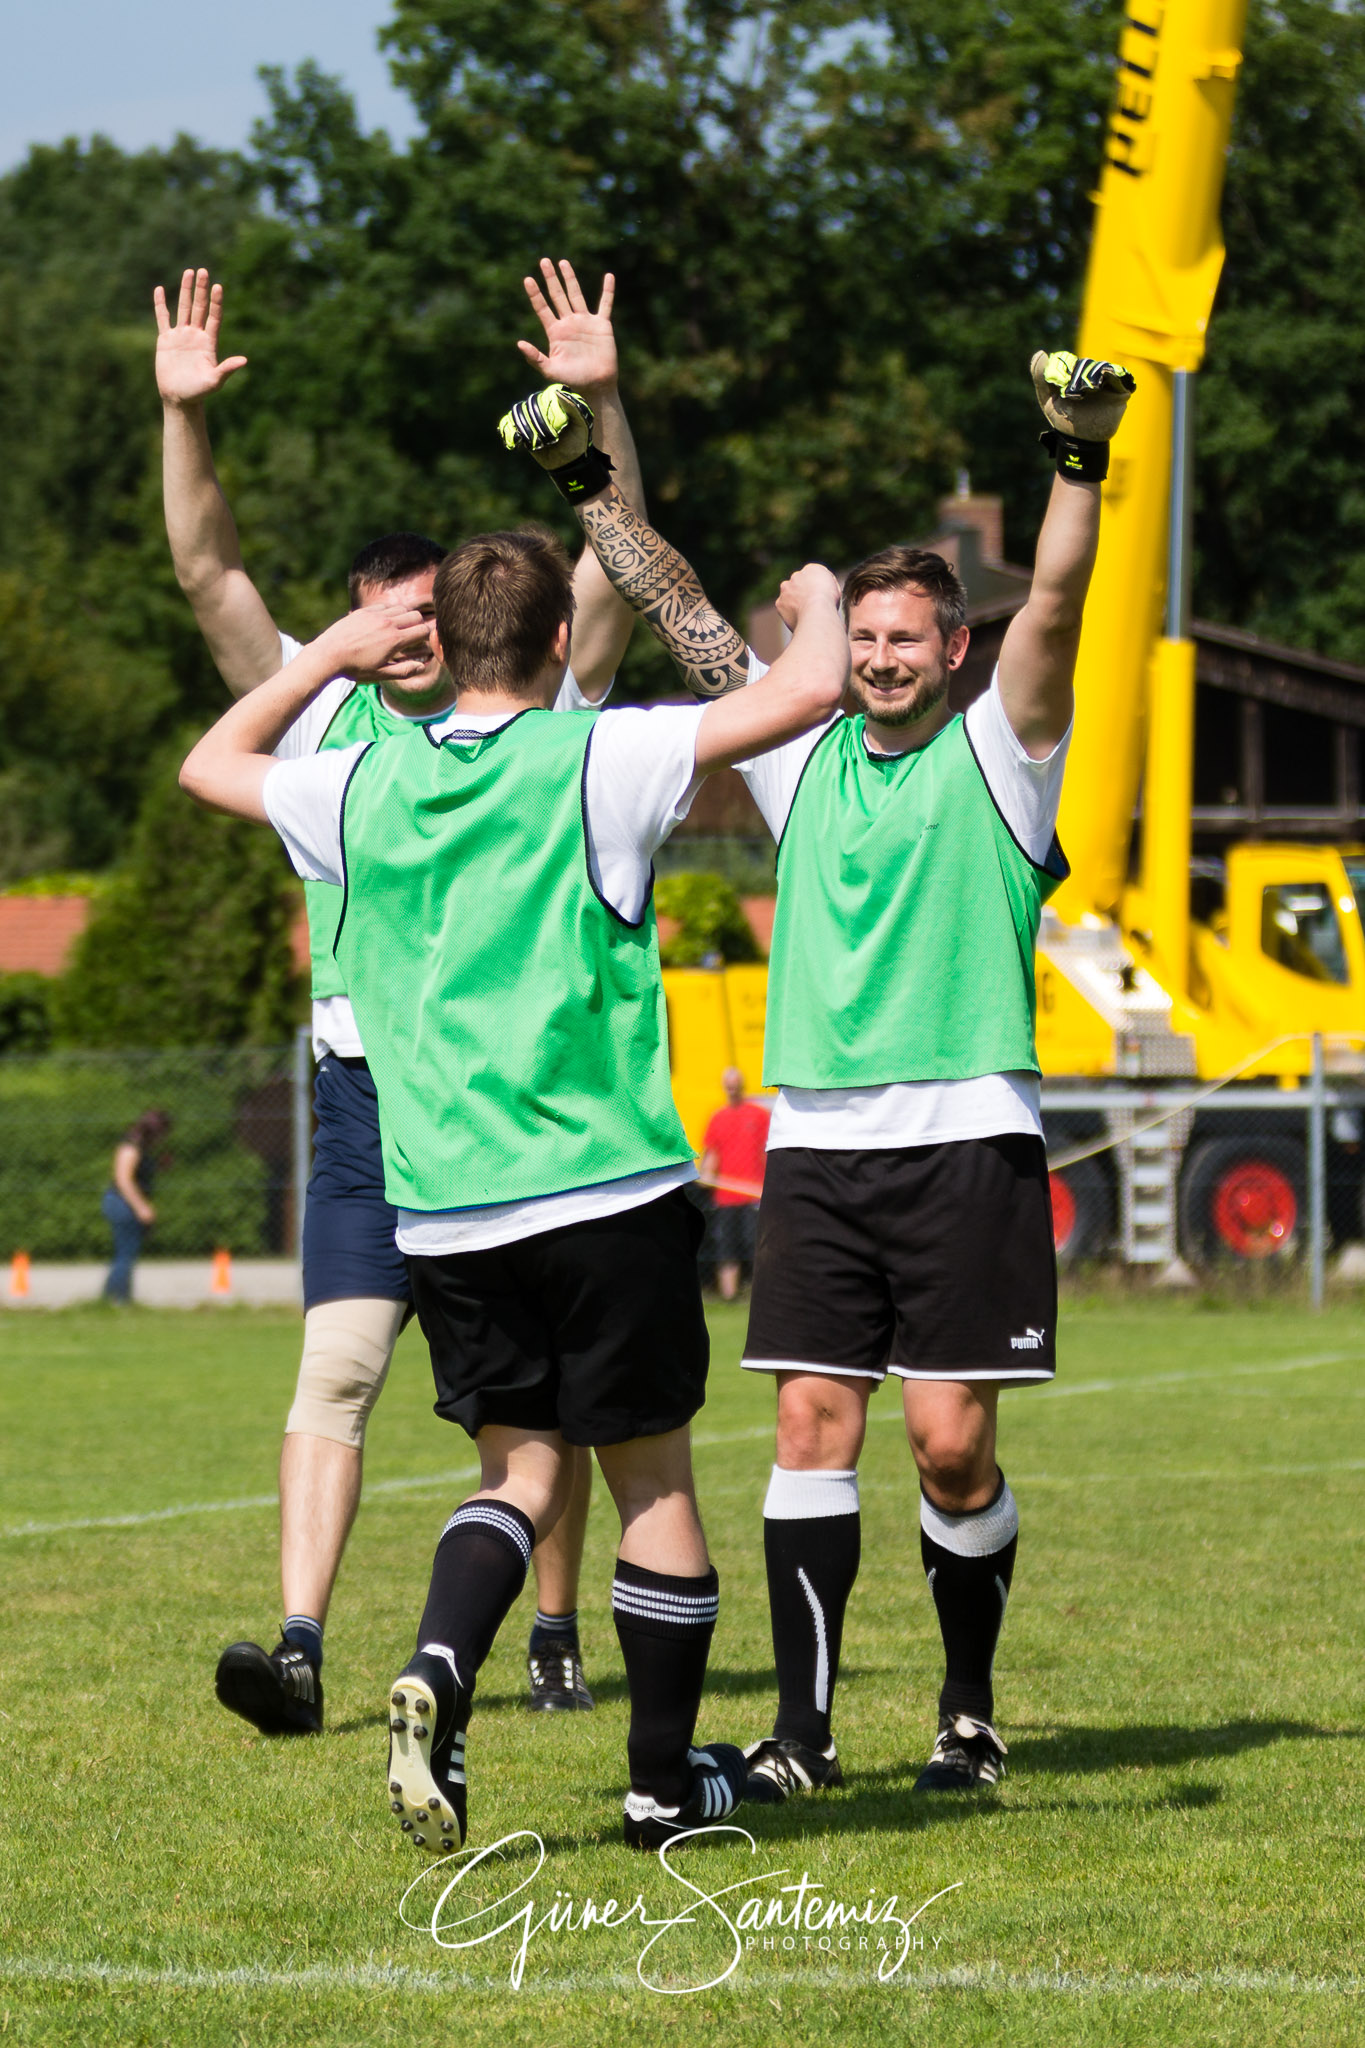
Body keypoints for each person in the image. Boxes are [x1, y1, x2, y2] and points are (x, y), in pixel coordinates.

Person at [178, 467, 850, 1848]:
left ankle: (436, 1665)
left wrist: (342, 656)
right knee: (650, 1479)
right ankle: (664, 1784)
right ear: (556, 647)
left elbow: (206, 766)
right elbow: (806, 695)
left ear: (442, 645)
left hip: (446, 1207)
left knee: (516, 1475)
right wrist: (822, 604)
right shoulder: (598, 752)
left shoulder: (356, 780)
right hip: (606, 1188)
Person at [533, 350, 1134, 1797]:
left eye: (906, 641)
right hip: (815, 1145)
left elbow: (1054, 602)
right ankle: (802, 1737)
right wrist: (583, 484)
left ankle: (967, 1711)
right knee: (809, 1426)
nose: (878, 660)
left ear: (952, 652)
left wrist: (1074, 453)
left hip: (963, 1138)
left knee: (944, 1450)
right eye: (861, 638)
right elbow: (676, 604)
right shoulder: (800, 755)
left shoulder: (1003, 752)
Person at [155, 262, 643, 1726]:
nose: (403, 637)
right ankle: (298, 1645)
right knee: (343, 1364)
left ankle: (553, 1629)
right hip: (367, 1089)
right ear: (352, 626)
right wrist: (182, 421)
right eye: (377, 620)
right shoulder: (325, 716)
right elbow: (208, 574)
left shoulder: (539, 701)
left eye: (423, 613)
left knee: (531, 1402)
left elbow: (616, 565)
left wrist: (604, 400)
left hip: (511, 1081)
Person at [699, 1069, 769, 1300]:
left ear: (742, 1085)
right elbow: (711, 1155)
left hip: (754, 1196)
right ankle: (729, 1297)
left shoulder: (759, 1115)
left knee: (758, 1248)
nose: (732, 1088)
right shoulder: (718, 1118)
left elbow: (768, 1151)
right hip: (726, 1198)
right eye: (728, 1084)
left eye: (736, 1083)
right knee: (726, 1249)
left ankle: (762, 1295)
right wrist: (707, 1173)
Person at [101, 1110, 173, 1304]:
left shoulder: (141, 1147)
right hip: (122, 1202)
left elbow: (138, 1173)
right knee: (126, 1253)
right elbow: (123, 1180)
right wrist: (141, 1207)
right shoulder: (130, 1146)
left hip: (126, 1202)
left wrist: (158, 1166)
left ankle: (114, 1297)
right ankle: (117, 1299)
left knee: (127, 1252)